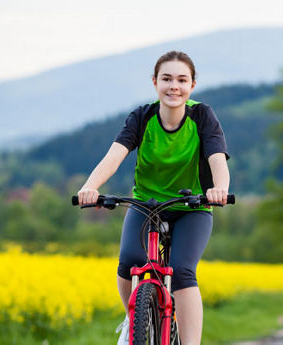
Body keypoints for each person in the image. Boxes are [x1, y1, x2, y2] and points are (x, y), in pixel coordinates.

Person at [76, 50, 229, 345]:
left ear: (192, 85)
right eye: (167, 79)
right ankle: (134, 320)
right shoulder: (142, 117)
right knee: (128, 263)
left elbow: (217, 158)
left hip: (192, 206)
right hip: (146, 204)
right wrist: (90, 186)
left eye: (182, 80)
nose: (174, 86)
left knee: (182, 271)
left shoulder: (202, 116)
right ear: (154, 82)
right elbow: (114, 156)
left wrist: (219, 187)